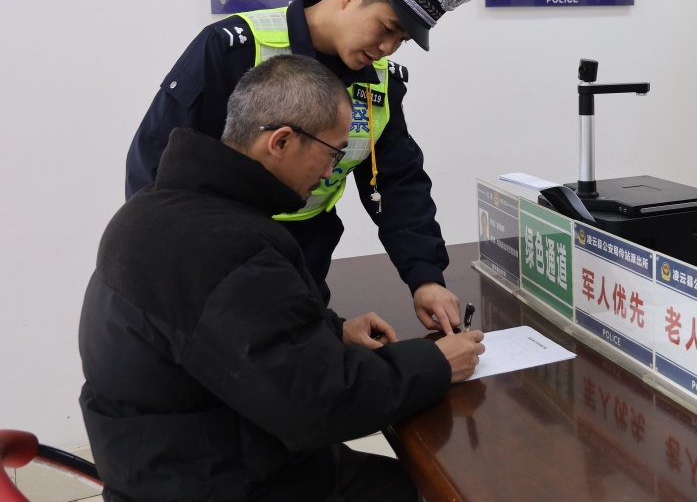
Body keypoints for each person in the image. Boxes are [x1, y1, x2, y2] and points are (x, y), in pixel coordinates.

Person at [80, 55, 486, 502]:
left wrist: (332, 331)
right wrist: (437, 363)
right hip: (221, 480)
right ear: (282, 141)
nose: (331, 172)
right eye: (333, 153)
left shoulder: (161, 208)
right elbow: (319, 405)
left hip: (181, 456)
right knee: (441, 487)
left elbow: (238, 332)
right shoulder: (226, 246)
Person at [126, 0, 474, 334]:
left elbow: (396, 182)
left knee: (302, 359)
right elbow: (156, 164)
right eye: (387, 28)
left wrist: (425, 277)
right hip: (216, 256)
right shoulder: (232, 48)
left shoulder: (381, 81)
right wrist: (163, 268)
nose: (388, 49)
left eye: (401, 41)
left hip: (305, 255)